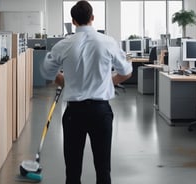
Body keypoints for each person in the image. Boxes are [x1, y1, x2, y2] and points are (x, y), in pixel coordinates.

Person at [40, 1, 132, 183]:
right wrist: (109, 82)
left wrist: (65, 82)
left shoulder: (63, 45)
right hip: (101, 112)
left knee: (73, 171)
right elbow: (126, 72)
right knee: (103, 168)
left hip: (74, 113)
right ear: (92, 18)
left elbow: (47, 73)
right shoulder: (108, 42)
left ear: (73, 21)